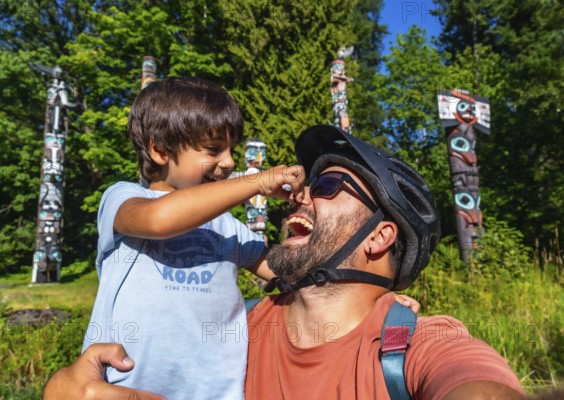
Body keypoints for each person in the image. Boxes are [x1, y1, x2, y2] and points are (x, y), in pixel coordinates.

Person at [45, 125, 525, 400]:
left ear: (381, 236)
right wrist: (62, 391)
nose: (298, 200)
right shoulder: (235, 331)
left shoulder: (417, 345)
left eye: (328, 187)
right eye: (301, 189)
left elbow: (472, 385)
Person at [80, 77, 305, 400]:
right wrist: (257, 181)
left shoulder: (228, 227)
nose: (228, 162)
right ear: (159, 149)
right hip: (123, 386)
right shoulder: (123, 198)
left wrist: (378, 296)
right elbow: (159, 220)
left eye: (231, 150)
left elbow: (289, 274)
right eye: (213, 149)